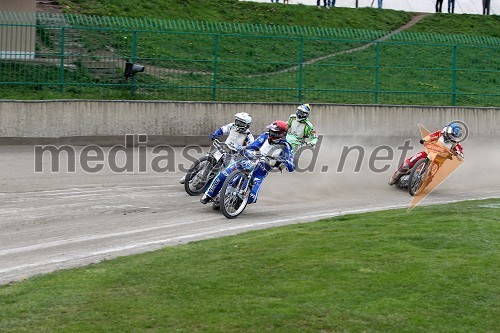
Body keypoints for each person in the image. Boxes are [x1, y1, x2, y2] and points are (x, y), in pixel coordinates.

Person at [200, 121, 294, 209]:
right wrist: (244, 149)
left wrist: (285, 161)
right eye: (271, 131)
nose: (272, 134)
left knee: (252, 196)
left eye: (275, 133)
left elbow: (291, 167)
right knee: (223, 174)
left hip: (260, 171)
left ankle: (240, 199)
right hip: (249, 160)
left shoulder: (286, 146)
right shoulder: (265, 136)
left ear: (283, 134)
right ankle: (208, 195)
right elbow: (253, 146)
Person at [179, 112, 254, 184]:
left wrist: (243, 149)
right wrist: (215, 134)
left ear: (246, 125)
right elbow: (223, 129)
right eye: (237, 121)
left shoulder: (248, 136)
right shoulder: (232, 126)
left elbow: (252, 148)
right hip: (223, 148)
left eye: (240, 123)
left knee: (227, 173)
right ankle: (187, 176)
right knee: (206, 160)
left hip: (233, 155)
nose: (237, 124)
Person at [388, 122, 464, 186]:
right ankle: (395, 177)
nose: (449, 137)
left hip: (437, 161)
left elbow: (461, 157)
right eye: (449, 134)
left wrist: (456, 154)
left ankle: (418, 185)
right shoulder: (439, 133)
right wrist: (424, 140)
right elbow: (430, 137)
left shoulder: (456, 144)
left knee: (429, 178)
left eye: (451, 136)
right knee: (410, 162)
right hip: (427, 153)